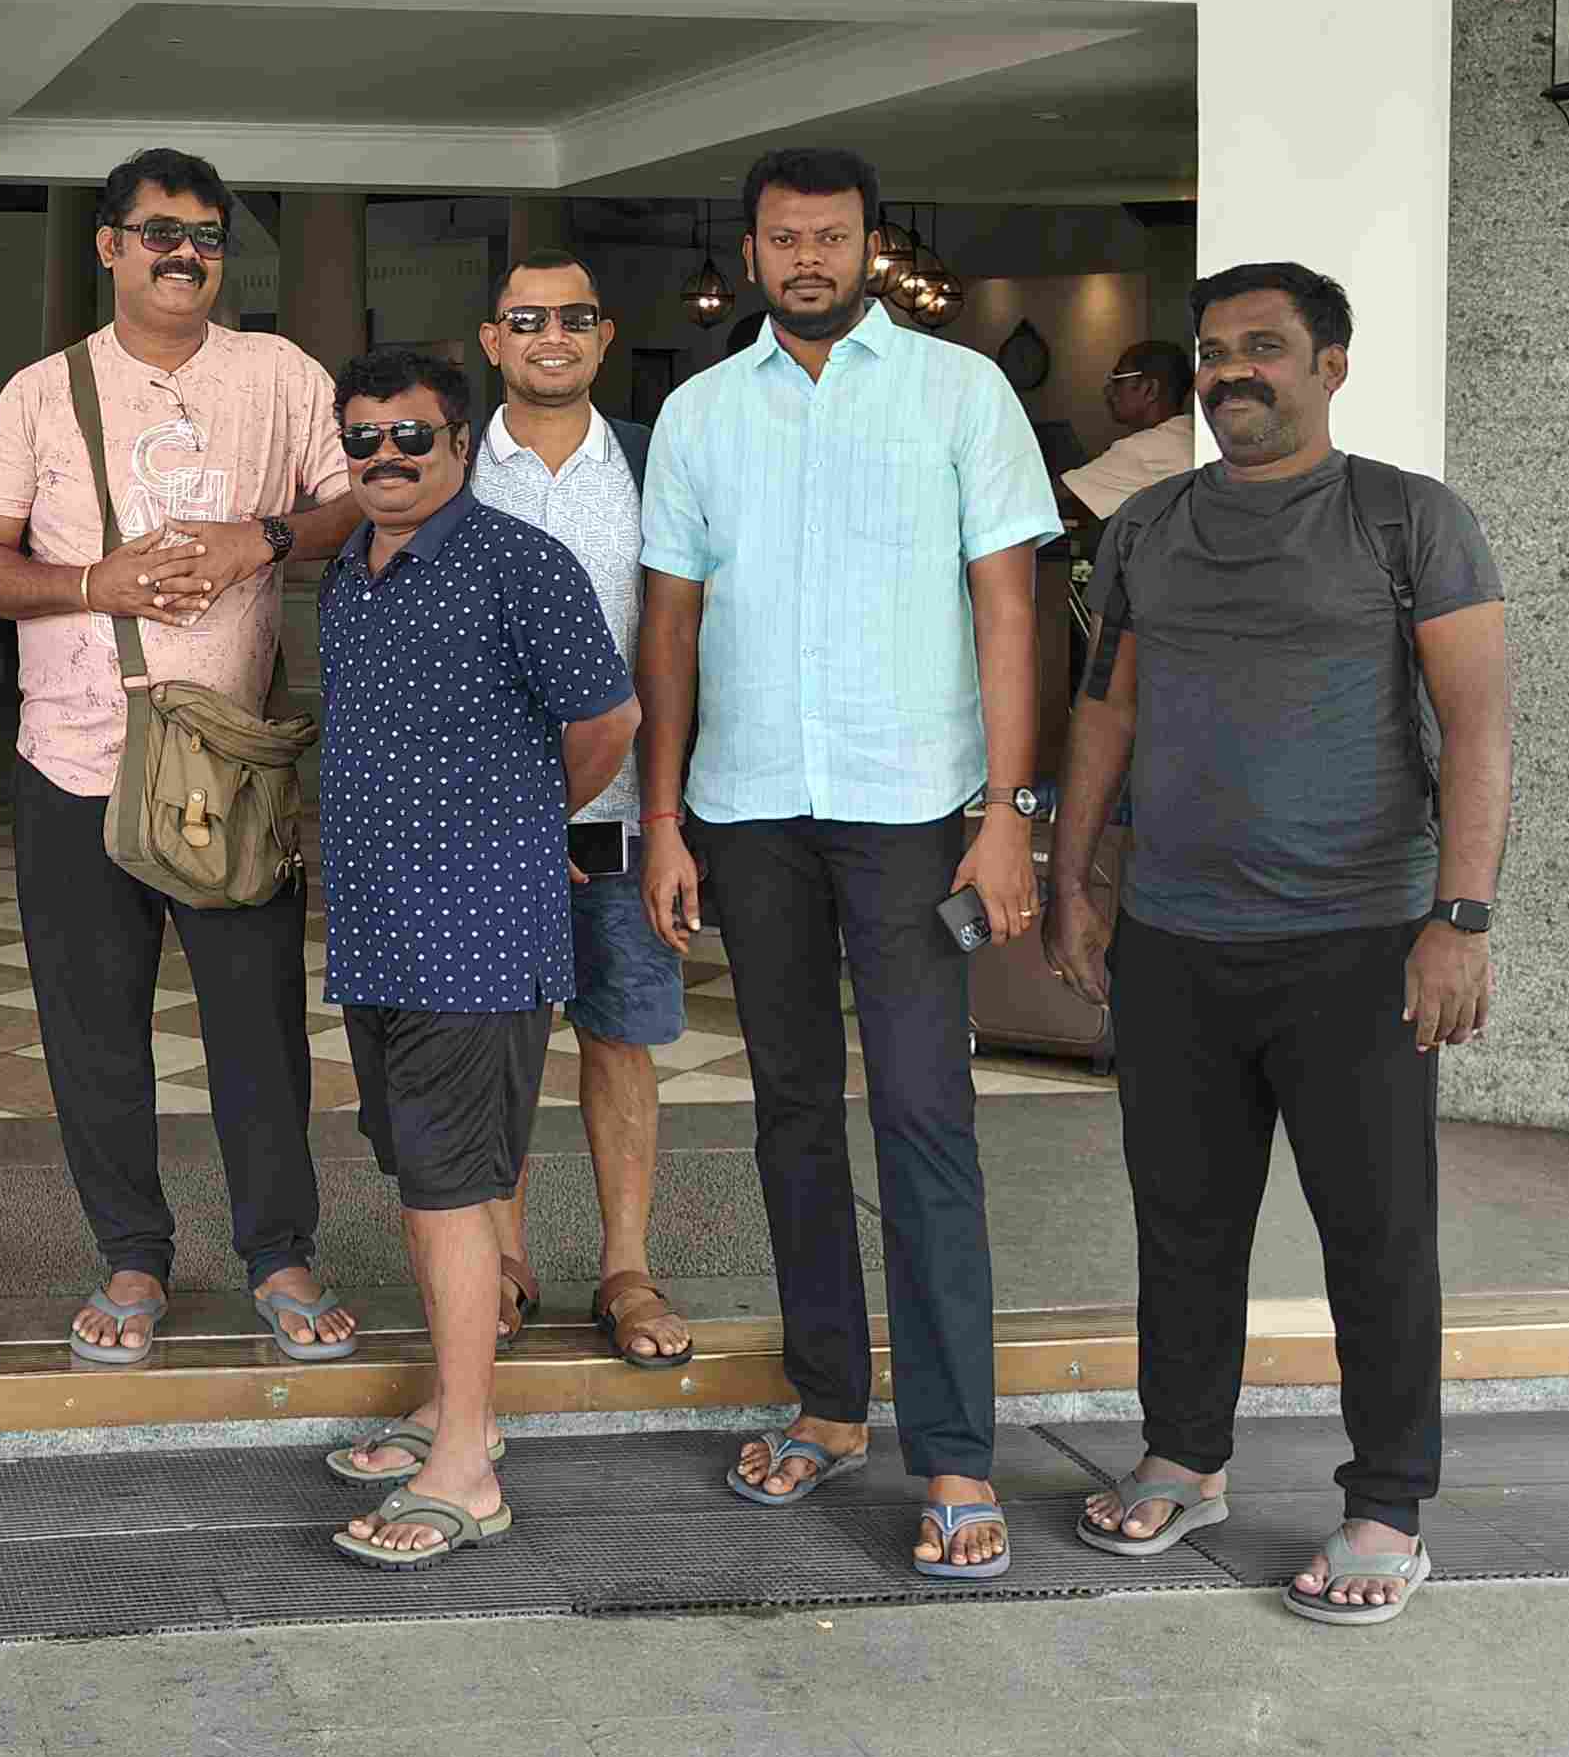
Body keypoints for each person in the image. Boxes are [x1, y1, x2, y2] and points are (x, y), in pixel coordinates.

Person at [1049, 261, 1511, 1623]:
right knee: (1182, 1224)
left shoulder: (1408, 521)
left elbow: (1478, 728)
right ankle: (1184, 1457)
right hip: (1176, 938)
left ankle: (1386, 1507)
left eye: (1262, 347)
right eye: (1211, 351)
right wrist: (1072, 877)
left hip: (1359, 942)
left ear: (1331, 366)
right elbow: (1106, 711)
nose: (1230, 373)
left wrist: (1460, 920)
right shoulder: (1148, 527)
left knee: (1378, 1236)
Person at [635, 146, 1063, 1578]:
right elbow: (671, 625)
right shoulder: (699, 414)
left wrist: (1008, 811)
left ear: (871, 245)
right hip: (749, 809)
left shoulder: (959, 391)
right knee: (790, 1114)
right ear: (751, 250)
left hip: (912, 812)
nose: (806, 258)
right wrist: (665, 817)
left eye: (830, 236)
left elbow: (1008, 610)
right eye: (783, 238)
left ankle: (954, 1454)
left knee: (927, 1119)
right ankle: (827, 1405)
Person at [0, 146, 368, 1366]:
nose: (184, 255)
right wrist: (96, 583)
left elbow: (358, 501)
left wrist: (261, 538)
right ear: (110, 247)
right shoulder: (42, 395)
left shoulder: (281, 376)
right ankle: (131, 1256)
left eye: (205, 237)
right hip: (72, 761)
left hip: (228, 763)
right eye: (159, 234)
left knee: (259, 1028)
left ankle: (278, 1253)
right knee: (93, 1032)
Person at [315, 348, 639, 1565]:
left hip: (476, 930)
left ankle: (466, 1469)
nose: (386, 458)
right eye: (363, 439)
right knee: (423, 1179)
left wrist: (522, 824)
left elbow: (606, 719)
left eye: (412, 437)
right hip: (380, 930)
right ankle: (455, 1410)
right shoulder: (350, 570)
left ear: (459, 444)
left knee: (453, 1193)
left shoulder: (519, 564)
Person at [456, 251, 698, 1370]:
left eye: (573, 318)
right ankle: (501, 1264)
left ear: (604, 338)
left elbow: (682, 643)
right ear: (491, 340)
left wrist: (674, 820)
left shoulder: (655, 462)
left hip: (625, 817)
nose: (549, 335)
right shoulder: (451, 469)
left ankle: (626, 1269)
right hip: (487, 826)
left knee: (622, 1036)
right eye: (525, 319)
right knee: (492, 1047)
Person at [1063, 340, 1198, 533]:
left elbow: (1052, 499)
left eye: (1117, 379)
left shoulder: (1145, 450)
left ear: (1150, 389)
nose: (1108, 390)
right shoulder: (1190, 433)